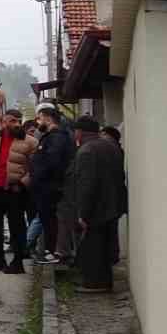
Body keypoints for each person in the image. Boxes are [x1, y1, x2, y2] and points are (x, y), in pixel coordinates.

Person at [70, 115, 125, 292]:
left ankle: (94, 283)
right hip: (113, 205)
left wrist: (82, 213)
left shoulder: (86, 151)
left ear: (80, 132)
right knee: (107, 245)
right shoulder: (111, 146)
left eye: (75, 131)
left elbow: (87, 184)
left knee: (93, 247)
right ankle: (105, 281)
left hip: (96, 208)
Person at [0, 109, 37, 273]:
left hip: (15, 191)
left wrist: (22, 183)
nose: (16, 124)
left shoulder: (30, 142)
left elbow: (35, 168)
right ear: (4, 122)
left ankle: (18, 262)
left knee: (17, 227)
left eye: (18, 121)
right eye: (12, 120)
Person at [27, 104, 74, 265]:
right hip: (48, 186)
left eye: (39, 118)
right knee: (48, 220)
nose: (37, 121)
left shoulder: (56, 137)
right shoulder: (52, 136)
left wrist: (38, 177)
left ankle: (52, 252)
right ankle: (50, 251)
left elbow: (51, 162)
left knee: (50, 220)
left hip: (50, 187)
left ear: (47, 118)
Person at [101, 124, 127, 265]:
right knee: (112, 228)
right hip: (116, 195)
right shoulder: (118, 150)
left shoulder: (113, 151)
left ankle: (111, 256)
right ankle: (112, 256)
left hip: (112, 196)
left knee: (110, 228)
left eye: (104, 135)